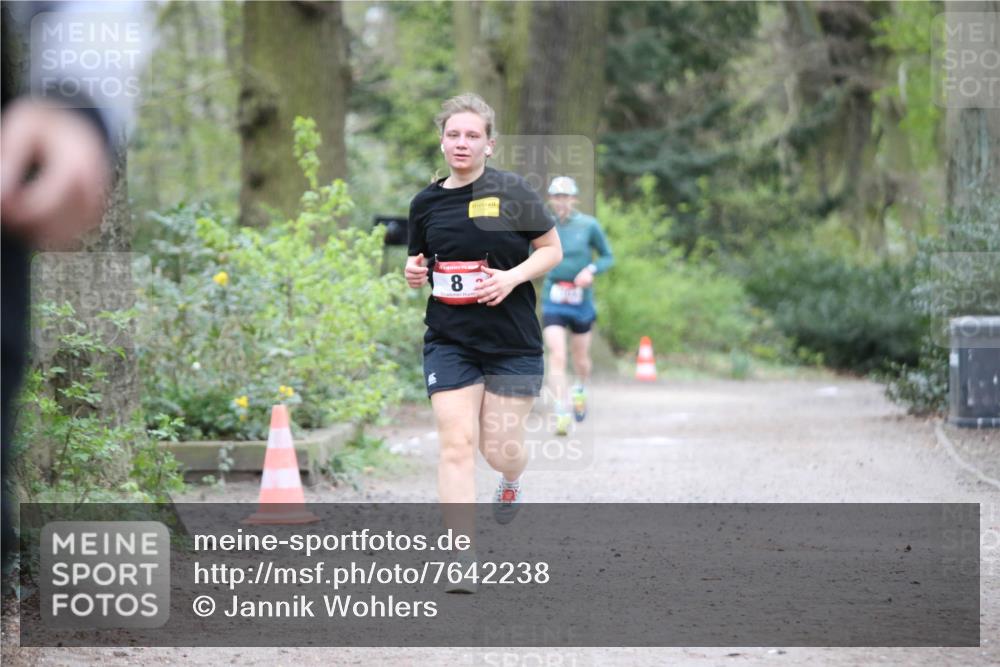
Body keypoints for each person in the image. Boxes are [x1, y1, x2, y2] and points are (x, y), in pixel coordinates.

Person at [405, 93, 562, 592]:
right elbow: (422, 262)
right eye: (454, 134)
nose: (462, 143)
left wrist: (511, 277)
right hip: (450, 339)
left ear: (489, 144)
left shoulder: (513, 192)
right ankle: (461, 558)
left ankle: (512, 479)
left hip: (512, 342)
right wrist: (413, 271)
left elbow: (550, 251)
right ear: (442, 140)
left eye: (473, 135)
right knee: (456, 445)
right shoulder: (425, 203)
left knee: (499, 450)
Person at [540, 176, 613, 436]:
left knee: (580, 358)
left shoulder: (588, 226)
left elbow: (608, 256)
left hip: (581, 301)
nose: (561, 202)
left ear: (574, 199)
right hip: (554, 298)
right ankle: (561, 410)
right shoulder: (544, 226)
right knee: (557, 355)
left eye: (565, 196)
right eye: (556, 196)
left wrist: (590, 270)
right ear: (550, 199)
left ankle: (580, 388)